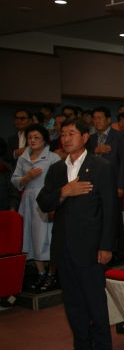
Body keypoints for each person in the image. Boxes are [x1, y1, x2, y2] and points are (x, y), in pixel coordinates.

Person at [37, 118, 118, 350]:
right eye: (63, 134)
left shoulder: (101, 167)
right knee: (73, 306)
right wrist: (65, 191)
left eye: (72, 133)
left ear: (85, 137)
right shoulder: (57, 170)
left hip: (92, 247)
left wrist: (107, 245)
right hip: (64, 248)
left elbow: (110, 209)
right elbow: (43, 202)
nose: (66, 138)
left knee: (95, 304)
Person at [11, 124, 61, 289]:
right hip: (27, 201)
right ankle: (40, 274)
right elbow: (15, 180)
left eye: (36, 137)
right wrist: (27, 177)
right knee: (31, 236)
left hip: (46, 200)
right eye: (30, 137)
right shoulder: (23, 157)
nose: (32, 140)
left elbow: (60, 180)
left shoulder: (53, 157)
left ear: (45, 139)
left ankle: (52, 274)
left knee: (48, 237)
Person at [88, 106, 124, 263]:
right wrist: (95, 150)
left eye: (100, 118)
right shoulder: (92, 139)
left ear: (108, 120)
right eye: (95, 118)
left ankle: (119, 251)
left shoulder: (119, 136)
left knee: (115, 217)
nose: (97, 121)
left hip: (113, 183)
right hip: (95, 183)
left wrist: (120, 185)